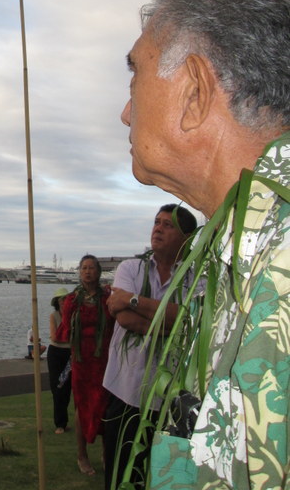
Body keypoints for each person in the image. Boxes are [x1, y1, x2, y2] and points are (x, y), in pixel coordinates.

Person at [121, 0, 290, 490]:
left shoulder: (282, 269)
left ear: (194, 91)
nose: (126, 113)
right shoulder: (244, 254)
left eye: (136, 75)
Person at [102, 204, 198, 489]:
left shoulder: (197, 279)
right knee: (120, 475)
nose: (157, 228)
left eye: (168, 225)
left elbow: (189, 322)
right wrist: (173, 323)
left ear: (187, 238)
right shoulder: (131, 268)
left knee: (163, 474)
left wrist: (133, 300)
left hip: (171, 399)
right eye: (157, 222)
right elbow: (126, 320)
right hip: (125, 391)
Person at [56, 255, 114, 476]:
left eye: (91, 268)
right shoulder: (72, 300)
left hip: (105, 360)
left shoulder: (107, 297)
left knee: (105, 407)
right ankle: (82, 455)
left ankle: (106, 453)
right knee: (82, 406)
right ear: (79, 272)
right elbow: (65, 332)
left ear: (98, 272)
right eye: (84, 268)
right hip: (81, 361)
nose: (88, 271)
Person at [47, 287, 72, 434]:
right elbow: (55, 337)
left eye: (66, 299)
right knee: (57, 388)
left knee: (68, 387)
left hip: (70, 353)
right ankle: (60, 423)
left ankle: (65, 421)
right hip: (56, 353)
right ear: (57, 301)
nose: (64, 302)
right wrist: (69, 339)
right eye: (61, 299)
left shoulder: (73, 315)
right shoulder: (54, 316)